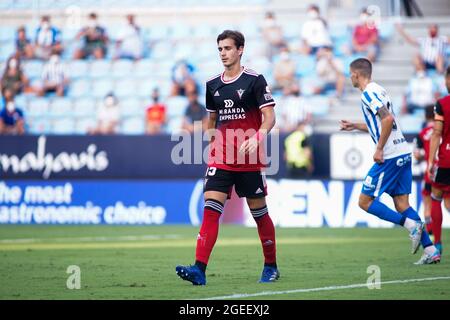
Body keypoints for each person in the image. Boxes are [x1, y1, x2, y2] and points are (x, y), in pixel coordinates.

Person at [176, 30, 279, 285]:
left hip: (250, 159)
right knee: (210, 211)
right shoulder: (213, 84)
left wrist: (257, 138)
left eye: (228, 48)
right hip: (220, 158)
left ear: (240, 49)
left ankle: (270, 266)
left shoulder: (255, 80)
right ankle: (199, 269)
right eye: (220, 49)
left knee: (259, 214)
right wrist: (212, 144)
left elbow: (270, 117)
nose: (223, 53)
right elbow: (212, 119)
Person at [340, 58, 440, 265]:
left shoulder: (368, 93)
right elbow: (382, 123)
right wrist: (356, 126)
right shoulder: (379, 90)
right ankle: (430, 250)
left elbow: (387, 120)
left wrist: (378, 149)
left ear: (356, 74)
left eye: (350, 74)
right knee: (402, 203)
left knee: (364, 201)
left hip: (390, 154)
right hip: (402, 151)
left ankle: (411, 225)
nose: (350, 77)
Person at [427, 66, 450, 256]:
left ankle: (438, 245)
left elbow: (436, 133)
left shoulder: (442, 103)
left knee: (436, 197)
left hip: (446, 159)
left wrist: (430, 161)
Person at [413, 105, 437, 236]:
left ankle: (432, 234)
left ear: (426, 116)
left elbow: (417, 154)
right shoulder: (443, 130)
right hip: (445, 171)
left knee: (427, 204)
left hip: (430, 172)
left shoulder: (422, 133)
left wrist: (424, 155)